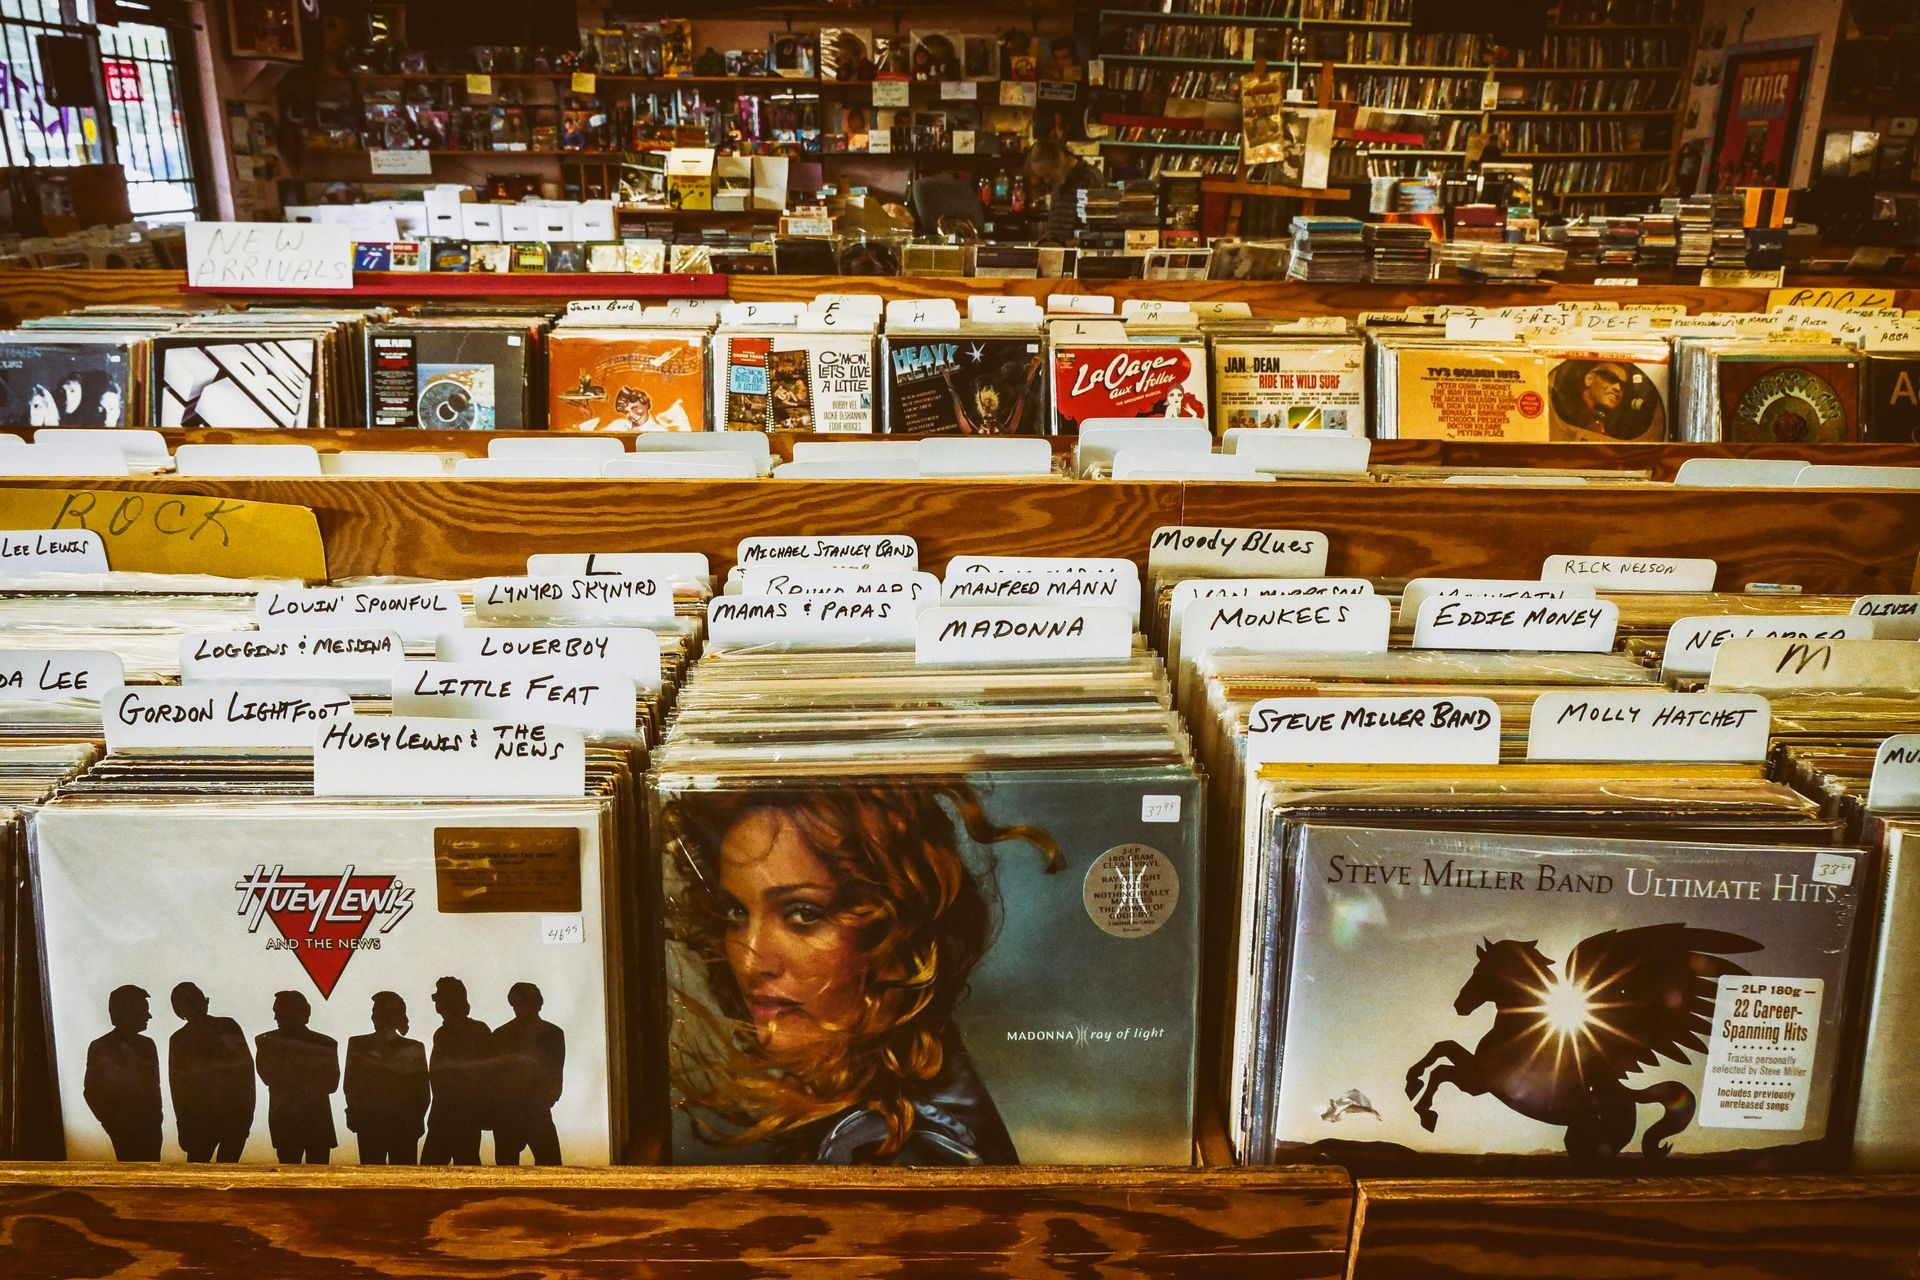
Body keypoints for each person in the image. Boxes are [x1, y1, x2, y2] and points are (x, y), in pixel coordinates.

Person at [662, 782, 1059, 1165]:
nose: (751, 963)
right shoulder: (872, 1113)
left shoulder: (899, 1150)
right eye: (737, 912)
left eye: (804, 914)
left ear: (899, 930)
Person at [168, 982, 254, 1162]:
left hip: (203, 1122)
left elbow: (178, 1089)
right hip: (230, 1118)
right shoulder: (227, 1026)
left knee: (197, 1177)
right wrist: (246, 1115)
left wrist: (183, 1126)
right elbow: (246, 1072)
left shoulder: (179, 1040)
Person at [343, 991, 430, 1165]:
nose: (373, 1015)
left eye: (377, 1011)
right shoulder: (359, 1045)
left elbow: (422, 1092)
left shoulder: (359, 1045)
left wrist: (415, 1121)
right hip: (377, 1124)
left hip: (395, 1125)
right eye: (374, 1011)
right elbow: (350, 1086)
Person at [254, 990, 339, 1163]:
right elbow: (268, 1076)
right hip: (303, 1120)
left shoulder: (267, 1042)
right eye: (276, 1013)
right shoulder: (325, 1044)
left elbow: (331, 1083)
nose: (276, 1018)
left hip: (296, 1120)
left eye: (279, 1013)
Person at [83, 985, 162, 1161]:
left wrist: (156, 1122)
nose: (149, 1016)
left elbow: (154, 1089)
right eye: (143, 1011)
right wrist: (114, 1125)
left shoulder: (148, 1045)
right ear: (127, 1013)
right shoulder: (100, 1048)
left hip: (151, 1131)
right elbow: (92, 1092)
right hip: (124, 1132)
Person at [421, 976, 493, 1165]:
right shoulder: (452, 1032)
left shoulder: (453, 1033)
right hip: (459, 1113)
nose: (436, 1004)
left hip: (456, 1113)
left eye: (439, 999)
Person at [491, 983, 565, 1165]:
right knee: (548, 1166)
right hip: (517, 1110)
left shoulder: (502, 1034)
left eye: (521, 1002)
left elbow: (555, 1073)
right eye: (516, 1003)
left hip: (530, 1109)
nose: (519, 1007)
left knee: (549, 1166)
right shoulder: (552, 1033)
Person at [1026, 138, 1103, 246]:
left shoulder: (1090, 178)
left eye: (1048, 175)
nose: (1047, 181)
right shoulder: (1058, 182)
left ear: (1059, 163)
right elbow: (1055, 230)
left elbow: (1098, 228)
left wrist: (1075, 243)